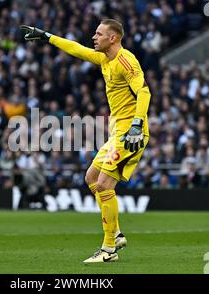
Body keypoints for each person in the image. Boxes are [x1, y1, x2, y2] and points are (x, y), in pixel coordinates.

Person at [21, 19, 151, 263]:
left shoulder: (126, 60)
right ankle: (117, 233)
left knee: (104, 185)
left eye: (99, 34)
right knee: (91, 179)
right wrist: (48, 36)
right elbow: (77, 49)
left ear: (113, 38)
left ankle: (109, 249)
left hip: (130, 132)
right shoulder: (104, 59)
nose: (94, 37)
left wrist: (136, 125)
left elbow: (144, 91)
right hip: (117, 132)